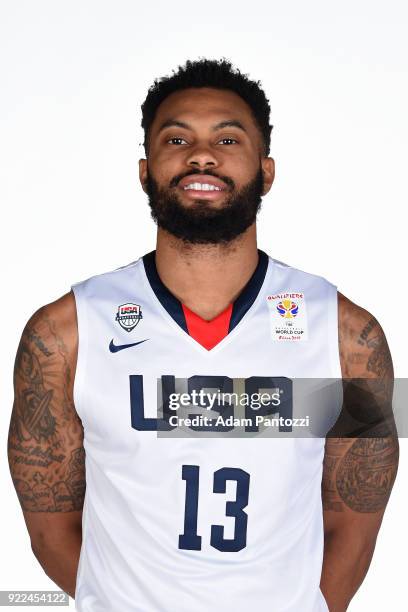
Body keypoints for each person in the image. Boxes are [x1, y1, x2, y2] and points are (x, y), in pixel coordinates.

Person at [8, 58, 399, 611]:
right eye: (176, 137)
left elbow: (355, 527)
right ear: (145, 170)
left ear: (266, 171)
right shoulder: (64, 333)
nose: (202, 155)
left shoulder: (348, 335)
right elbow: (51, 529)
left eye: (228, 138)